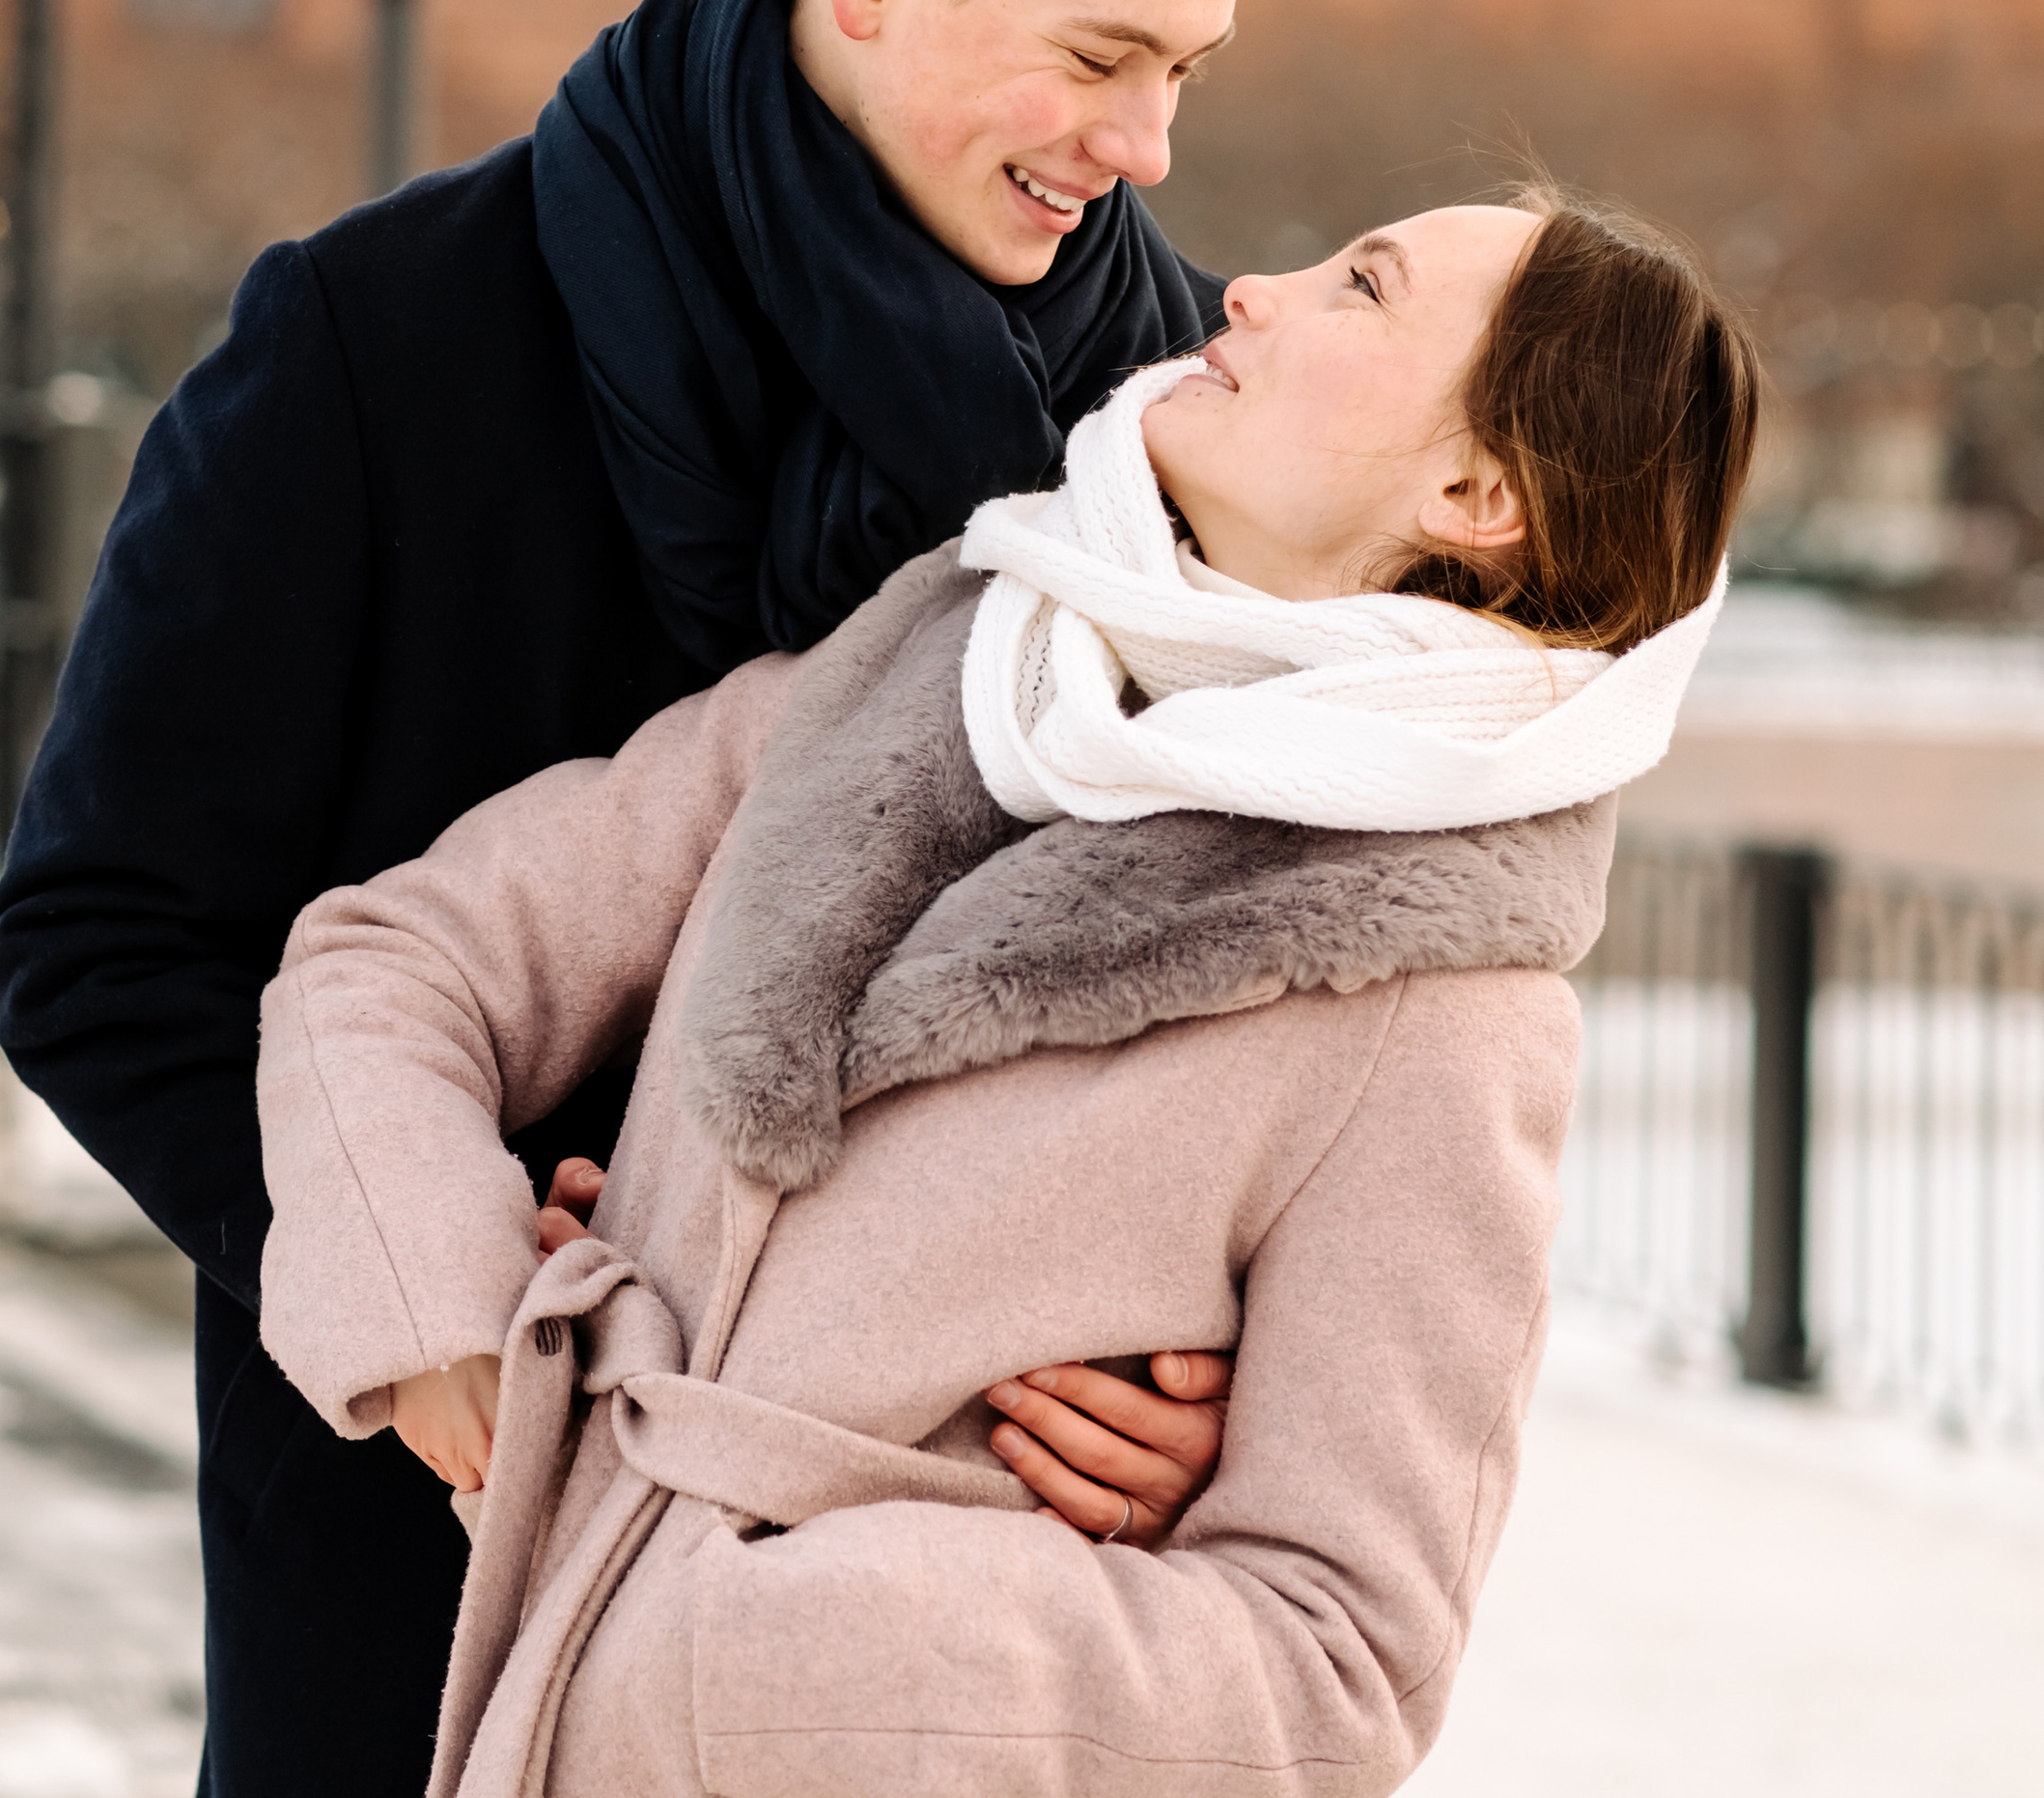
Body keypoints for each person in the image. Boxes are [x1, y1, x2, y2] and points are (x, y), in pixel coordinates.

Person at [0, 0, 1387, 1794]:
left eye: (1187, 65)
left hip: (953, 1613)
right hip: (432, 1566)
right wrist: (396, 1272)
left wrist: (1215, 1368)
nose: (1143, 147)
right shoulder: (377, 343)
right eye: (1099, 53)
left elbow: (1289, 1014)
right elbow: (96, 935)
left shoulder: (1179, 425)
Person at [254, 189, 1761, 1798]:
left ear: (1476, 493)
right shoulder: (912, 669)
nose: (1254, 286)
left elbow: (1341, 1663)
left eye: (1364, 288)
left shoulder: (1438, 1003)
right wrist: (445, 1317)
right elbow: (392, 961)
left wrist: (764, 1648)